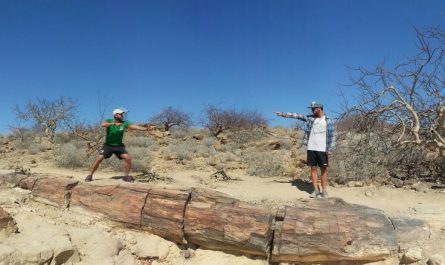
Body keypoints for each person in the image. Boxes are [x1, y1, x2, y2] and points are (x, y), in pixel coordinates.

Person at [274, 101, 336, 198]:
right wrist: (283, 114)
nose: (312, 110)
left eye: (314, 108)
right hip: (311, 147)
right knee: (313, 168)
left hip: (322, 149)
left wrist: (330, 148)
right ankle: (315, 190)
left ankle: (324, 191)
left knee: (323, 170)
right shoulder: (310, 118)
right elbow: (297, 116)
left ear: (319, 108)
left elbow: (332, 135)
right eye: (311, 109)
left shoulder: (329, 120)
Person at [85, 108, 156, 182]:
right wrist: (114, 124)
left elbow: (135, 127)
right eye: (121, 114)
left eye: (122, 114)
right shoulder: (109, 120)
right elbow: (103, 124)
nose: (122, 115)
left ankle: (125, 176)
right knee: (98, 159)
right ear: (115, 115)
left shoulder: (124, 123)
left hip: (119, 146)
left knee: (127, 159)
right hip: (108, 145)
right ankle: (90, 175)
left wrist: (146, 129)